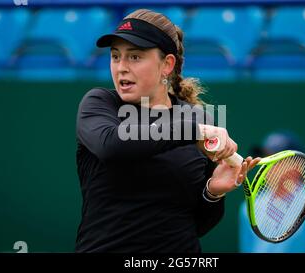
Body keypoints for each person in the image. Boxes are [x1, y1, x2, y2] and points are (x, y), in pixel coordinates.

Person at [75, 9, 260, 253]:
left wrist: (212, 193)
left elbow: (195, 225)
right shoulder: (99, 104)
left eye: (134, 57)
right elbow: (112, 146)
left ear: (167, 64)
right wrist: (193, 131)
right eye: (115, 56)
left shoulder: (197, 119)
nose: (121, 67)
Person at [238, 130, 305, 253]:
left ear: (297, 165)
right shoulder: (247, 209)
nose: (267, 168)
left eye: (276, 161)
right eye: (265, 160)